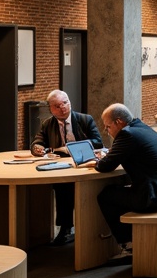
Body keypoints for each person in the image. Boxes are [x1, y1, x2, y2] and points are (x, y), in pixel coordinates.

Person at [94, 103, 157, 261]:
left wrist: (95, 161)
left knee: (106, 196)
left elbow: (105, 166)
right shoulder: (143, 127)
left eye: (107, 127)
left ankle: (128, 245)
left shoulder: (126, 135)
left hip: (156, 197)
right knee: (120, 191)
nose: (107, 131)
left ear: (118, 122)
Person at [30, 89, 103, 245]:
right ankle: (65, 228)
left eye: (65, 103)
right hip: (61, 164)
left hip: (84, 162)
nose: (62, 107)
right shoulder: (48, 124)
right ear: (50, 109)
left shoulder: (85, 119)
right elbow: (37, 142)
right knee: (62, 187)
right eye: (57, 105)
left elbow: (98, 142)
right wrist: (37, 148)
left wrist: (74, 147)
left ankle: (87, 229)